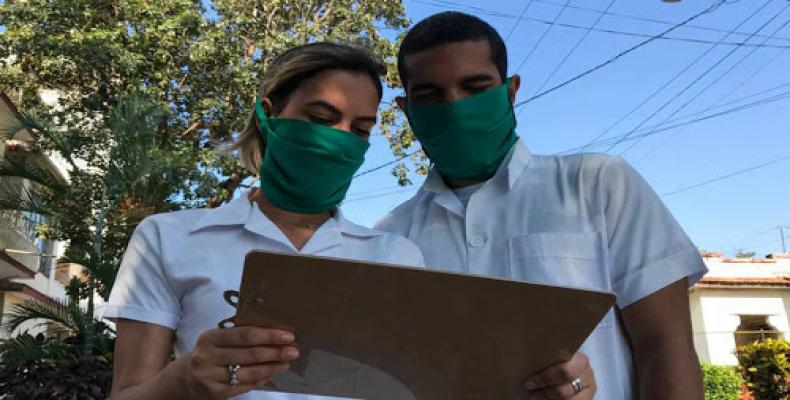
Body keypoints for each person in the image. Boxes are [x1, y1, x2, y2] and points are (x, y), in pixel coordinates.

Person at [376, 12, 707, 400]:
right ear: (406, 110)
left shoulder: (598, 184)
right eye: (430, 96)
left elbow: (665, 347)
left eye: (475, 87)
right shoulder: (389, 238)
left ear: (510, 91)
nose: (454, 106)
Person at [103, 42, 425, 400]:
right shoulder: (169, 237)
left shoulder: (396, 257)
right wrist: (186, 378)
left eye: (361, 130)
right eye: (321, 119)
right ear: (267, 115)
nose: (340, 140)